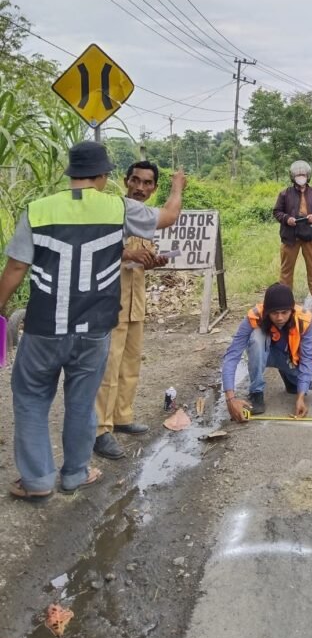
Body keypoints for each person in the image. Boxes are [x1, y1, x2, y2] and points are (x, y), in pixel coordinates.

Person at [0, 141, 186, 500]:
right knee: (82, 402)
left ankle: (37, 481)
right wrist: (177, 188)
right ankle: (75, 473)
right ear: (104, 176)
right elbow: (168, 217)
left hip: (44, 329)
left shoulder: (37, 210)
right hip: (94, 329)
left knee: (32, 400)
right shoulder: (117, 208)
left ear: (71, 173)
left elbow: (16, 268)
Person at [93, 161, 169, 461]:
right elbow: (98, 249)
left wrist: (153, 260)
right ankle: (100, 429)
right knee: (107, 368)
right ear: (125, 181)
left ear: (153, 188)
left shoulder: (147, 219)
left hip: (136, 301)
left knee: (130, 363)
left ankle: (122, 416)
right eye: (135, 180)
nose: (140, 187)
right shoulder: (112, 211)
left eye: (147, 183)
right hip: (111, 301)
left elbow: (139, 259)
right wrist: (125, 253)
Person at [222, 282, 312, 421]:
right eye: (275, 313)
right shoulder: (254, 316)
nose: (280, 318)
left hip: (289, 358)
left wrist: (301, 397)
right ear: (267, 312)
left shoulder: (304, 319)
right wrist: (230, 399)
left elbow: (306, 358)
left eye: (284, 312)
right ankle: (256, 392)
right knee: (257, 338)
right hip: (264, 355)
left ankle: (289, 379)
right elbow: (232, 355)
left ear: (292, 310)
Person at [273, 161, 312, 306]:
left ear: (308, 175)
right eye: (298, 174)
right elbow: (277, 211)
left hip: (310, 234)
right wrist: (287, 219)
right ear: (292, 176)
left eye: (303, 174)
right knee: (286, 269)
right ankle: (285, 298)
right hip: (290, 235)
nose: (300, 177)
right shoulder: (285, 193)